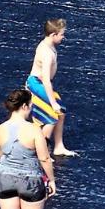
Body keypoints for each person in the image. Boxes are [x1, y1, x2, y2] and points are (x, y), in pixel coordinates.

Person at [26, 19, 76, 157]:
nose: (63, 37)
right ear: (53, 34)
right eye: (61, 34)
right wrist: (53, 103)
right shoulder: (47, 53)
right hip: (36, 84)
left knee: (62, 112)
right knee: (52, 115)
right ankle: (40, 152)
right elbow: (46, 80)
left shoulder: (47, 45)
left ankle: (59, 146)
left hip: (39, 82)